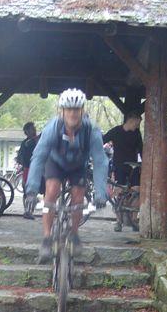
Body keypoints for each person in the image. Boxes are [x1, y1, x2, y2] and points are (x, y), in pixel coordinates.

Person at [25, 88, 109, 263]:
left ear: (82, 110)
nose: (73, 113)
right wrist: (31, 190)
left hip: (78, 165)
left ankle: (74, 234)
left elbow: (100, 161)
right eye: (69, 109)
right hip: (55, 162)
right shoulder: (53, 127)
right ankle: (47, 238)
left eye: (76, 109)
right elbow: (39, 157)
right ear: (62, 111)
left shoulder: (91, 130)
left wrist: (101, 194)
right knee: (52, 190)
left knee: (78, 196)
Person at [103, 111, 143, 186]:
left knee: (136, 188)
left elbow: (141, 149)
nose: (138, 126)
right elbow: (102, 140)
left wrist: (144, 163)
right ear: (130, 121)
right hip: (119, 165)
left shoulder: (137, 133)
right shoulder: (116, 131)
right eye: (137, 124)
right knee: (120, 188)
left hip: (133, 165)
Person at [16, 122, 39, 219]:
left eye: (34, 128)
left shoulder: (38, 140)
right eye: (31, 129)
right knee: (27, 190)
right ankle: (27, 210)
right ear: (26, 132)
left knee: (34, 191)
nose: (34, 130)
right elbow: (21, 157)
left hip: (37, 169)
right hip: (28, 168)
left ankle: (30, 210)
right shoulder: (26, 143)